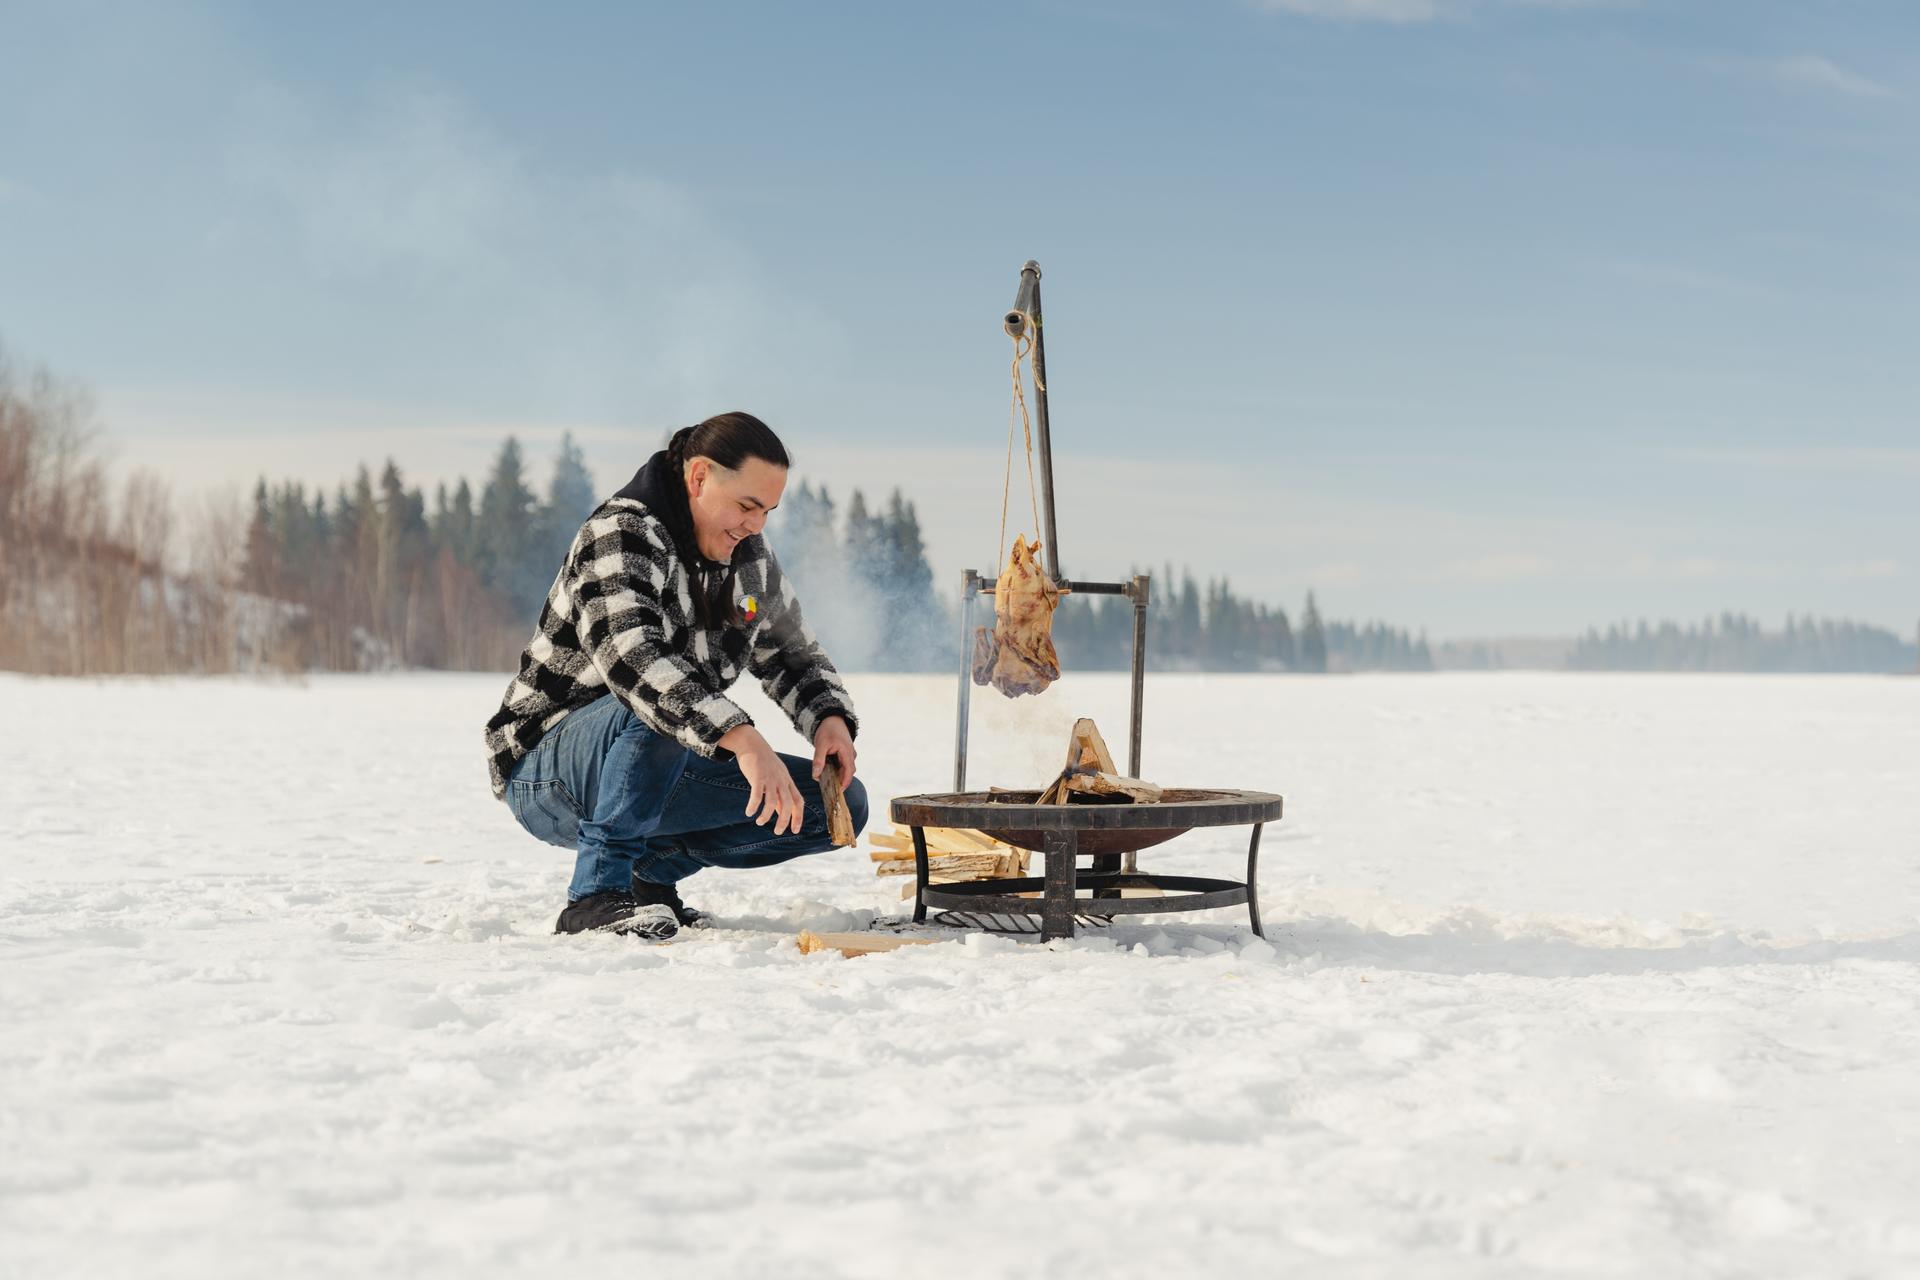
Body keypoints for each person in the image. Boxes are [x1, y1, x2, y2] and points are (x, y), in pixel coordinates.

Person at [483, 412, 867, 940]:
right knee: (656, 704)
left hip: (657, 761)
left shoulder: (747, 558)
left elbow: (791, 652)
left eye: (768, 511)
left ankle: (650, 877)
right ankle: (596, 896)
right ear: (700, 477)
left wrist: (828, 718)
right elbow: (633, 661)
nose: (756, 525)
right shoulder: (620, 533)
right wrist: (745, 739)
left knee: (836, 804)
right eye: (747, 506)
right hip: (548, 770)